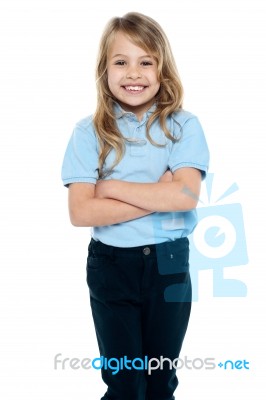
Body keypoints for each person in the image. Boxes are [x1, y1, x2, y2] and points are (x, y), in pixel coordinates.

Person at [61, 11, 209, 400]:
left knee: (160, 381)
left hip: (169, 264)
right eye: (121, 62)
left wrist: (110, 188)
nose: (134, 73)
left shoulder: (183, 126)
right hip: (111, 266)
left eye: (146, 62)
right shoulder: (88, 132)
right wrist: (158, 196)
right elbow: (81, 212)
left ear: (163, 69)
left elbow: (185, 195)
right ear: (104, 70)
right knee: (126, 383)